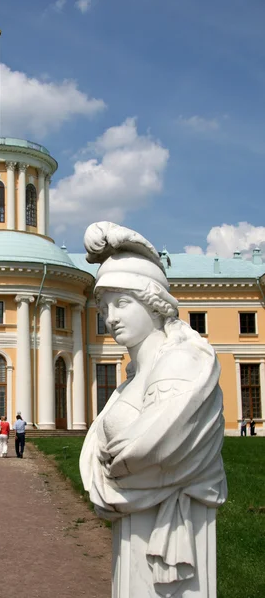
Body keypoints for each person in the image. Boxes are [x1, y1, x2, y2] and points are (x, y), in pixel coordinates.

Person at [80, 222, 227, 598]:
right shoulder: (131, 382)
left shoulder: (180, 365)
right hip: (135, 530)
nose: (110, 317)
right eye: (105, 306)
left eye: (123, 303)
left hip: (171, 531)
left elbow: (152, 448)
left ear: (154, 303)